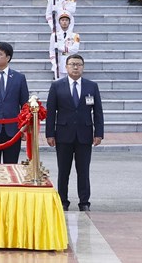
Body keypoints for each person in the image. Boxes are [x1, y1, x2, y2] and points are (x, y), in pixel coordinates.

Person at [46, 54, 104, 211]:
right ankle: (62, 201)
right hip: (63, 135)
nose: (76, 67)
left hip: (84, 135)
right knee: (63, 170)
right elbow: (51, 112)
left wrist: (99, 133)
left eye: (79, 64)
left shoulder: (91, 86)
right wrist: (49, 134)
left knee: (83, 170)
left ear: (83, 67)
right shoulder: (57, 86)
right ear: (66, 67)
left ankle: (84, 202)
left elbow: (98, 112)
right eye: (72, 64)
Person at [50, 11, 80, 80]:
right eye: (62, 20)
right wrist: (54, 63)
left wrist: (61, 48)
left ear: (69, 22)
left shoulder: (75, 36)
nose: (64, 22)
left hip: (71, 63)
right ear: (59, 22)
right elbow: (51, 51)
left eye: (66, 20)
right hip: (59, 62)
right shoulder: (54, 36)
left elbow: (75, 49)